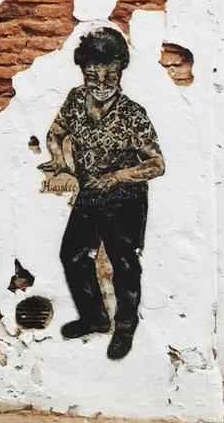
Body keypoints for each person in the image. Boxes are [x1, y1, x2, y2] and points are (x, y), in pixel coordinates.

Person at [40, 26, 165, 360]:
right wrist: (61, 161)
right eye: (92, 75)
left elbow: (156, 164)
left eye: (109, 76)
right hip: (89, 193)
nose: (100, 84)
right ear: (84, 71)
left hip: (125, 199)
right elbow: (54, 133)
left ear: (120, 70)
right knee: (73, 255)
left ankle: (125, 327)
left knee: (124, 264)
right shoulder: (75, 99)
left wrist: (115, 177)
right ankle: (94, 317)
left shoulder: (132, 113)